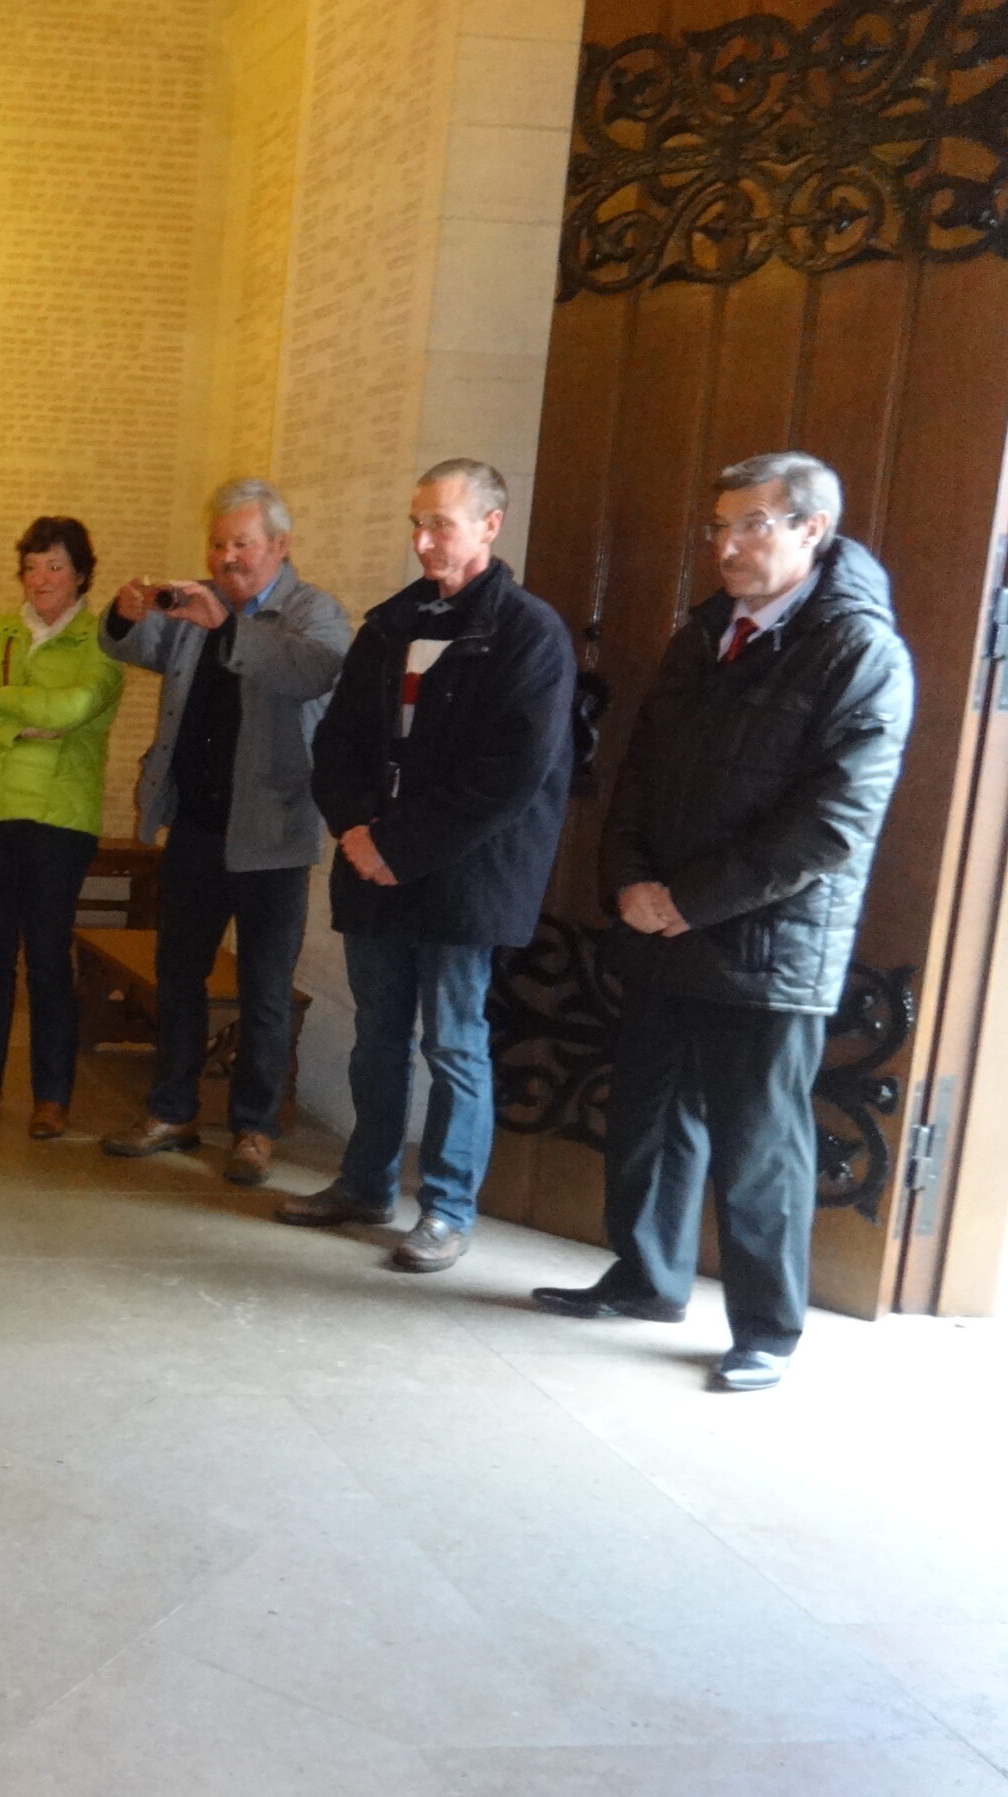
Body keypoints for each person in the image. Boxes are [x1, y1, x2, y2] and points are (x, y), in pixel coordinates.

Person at [533, 452, 914, 1392]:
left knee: (759, 1144)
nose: (727, 546)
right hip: (662, 924)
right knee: (650, 1120)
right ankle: (647, 1278)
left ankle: (765, 1331)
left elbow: (833, 822)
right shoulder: (704, 636)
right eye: (718, 527)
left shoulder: (861, 650)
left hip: (767, 943)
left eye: (752, 525)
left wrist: (687, 899)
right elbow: (639, 777)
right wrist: (628, 880)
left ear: (811, 530)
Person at [279, 458, 574, 1270]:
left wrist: (396, 848)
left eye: (440, 523)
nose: (422, 540)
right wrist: (355, 832)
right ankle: (365, 1183)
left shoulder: (528, 632)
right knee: (377, 1036)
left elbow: (510, 775)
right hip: (375, 864)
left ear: (489, 524)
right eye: (417, 522)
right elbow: (336, 742)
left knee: (453, 1042)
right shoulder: (389, 626)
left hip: (460, 877)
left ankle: (446, 1207)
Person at [98, 480, 351, 1185]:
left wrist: (228, 628)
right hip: (197, 828)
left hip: (272, 835)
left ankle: (254, 1129)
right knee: (179, 976)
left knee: (266, 989)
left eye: (242, 544)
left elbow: (313, 671)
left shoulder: (314, 612)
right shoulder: (198, 604)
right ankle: (172, 1111)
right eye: (218, 544)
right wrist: (123, 617)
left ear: (280, 545)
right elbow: (138, 646)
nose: (227, 557)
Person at [0, 518, 124, 1139]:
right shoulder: (0, 629)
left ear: (83, 574)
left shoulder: (103, 639)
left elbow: (71, 710)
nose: (41, 579)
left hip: (57, 820)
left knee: (46, 959)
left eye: (55, 567)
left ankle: (52, 1095)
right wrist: (17, 725)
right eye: (32, 566)